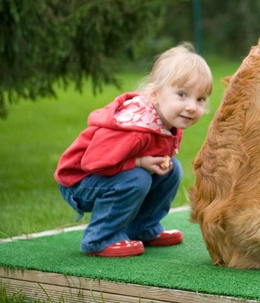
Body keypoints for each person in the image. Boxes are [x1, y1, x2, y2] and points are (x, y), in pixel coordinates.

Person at [54, 43, 213, 257]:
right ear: (155, 94)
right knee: (138, 178)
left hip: (108, 176)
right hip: (79, 182)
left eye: (200, 99)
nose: (192, 107)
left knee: (172, 169)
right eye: (182, 94)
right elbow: (93, 162)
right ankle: (99, 238)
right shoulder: (136, 128)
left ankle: (142, 228)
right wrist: (139, 163)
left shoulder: (168, 123)